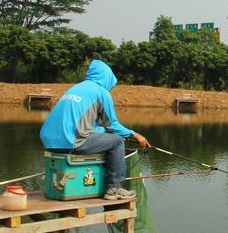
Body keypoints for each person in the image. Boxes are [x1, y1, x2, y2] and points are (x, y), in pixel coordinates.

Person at [40, 60, 150, 200]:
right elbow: (113, 126)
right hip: (72, 141)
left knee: (111, 138)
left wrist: (105, 132)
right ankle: (114, 188)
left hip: (50, 143)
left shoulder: (76, 88)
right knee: (117, 142)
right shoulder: (101, 92)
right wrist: (134, 135)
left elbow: (87, 126)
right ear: (107, 78)